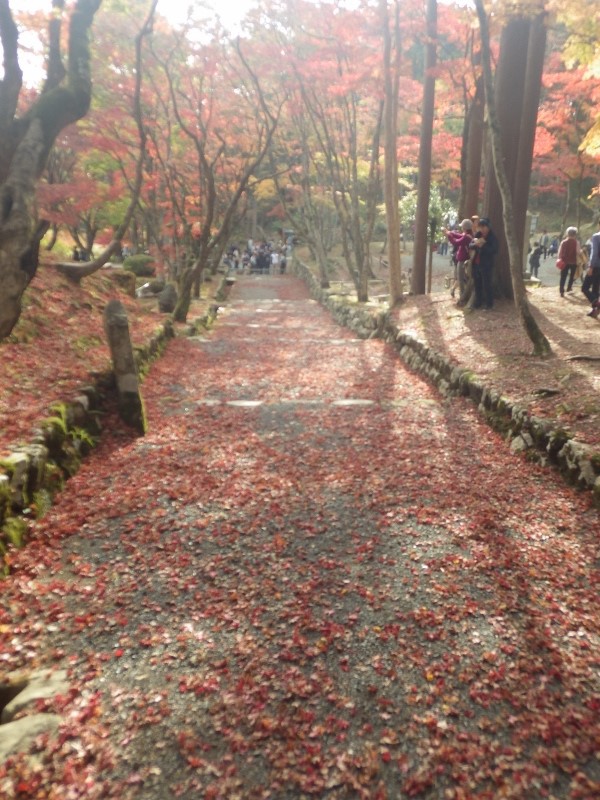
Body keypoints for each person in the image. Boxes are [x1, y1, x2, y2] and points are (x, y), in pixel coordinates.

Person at [471, 216, 498, 310]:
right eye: (480, 227)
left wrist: (483, 245)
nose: (482, 229)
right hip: (476, 263)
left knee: (487, 284)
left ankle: (489, 304)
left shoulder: (492, 237)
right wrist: (476, 243)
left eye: (484, 227)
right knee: (477, 284)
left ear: (488, 227)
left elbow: (494, 250)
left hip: (486, 264)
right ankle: (478, 302)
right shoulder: (478, 234)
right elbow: (470, 245)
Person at [444, 219, 473, 302]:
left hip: (463, 261)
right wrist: (450, 232)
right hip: (462, 260)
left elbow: (456, 242)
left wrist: (449, 235)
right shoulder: (467, 235)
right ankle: (464, 295)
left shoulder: (467, 237)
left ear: (464, 227)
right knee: (462, 279)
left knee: (460, 279)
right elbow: (458, 235)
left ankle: (463, 297)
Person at [582, 216, 600, 318]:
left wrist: (591, 266)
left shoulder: (596, 236)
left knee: (584, 287)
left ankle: (597, 303)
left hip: (596, 266)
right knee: (595, 288)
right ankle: (595, 310)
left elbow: (594, 253)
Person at [557, 226, 579, 297]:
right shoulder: (576, 242)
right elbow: (578, 252)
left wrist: (559, 258)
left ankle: (561, 291)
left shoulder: (563, 242)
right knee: (572, 276)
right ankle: (569, 287)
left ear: (567, 233)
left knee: (563, 276)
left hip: (564, 262)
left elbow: (560, 252)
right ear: (575, 234)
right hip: (573, 262)